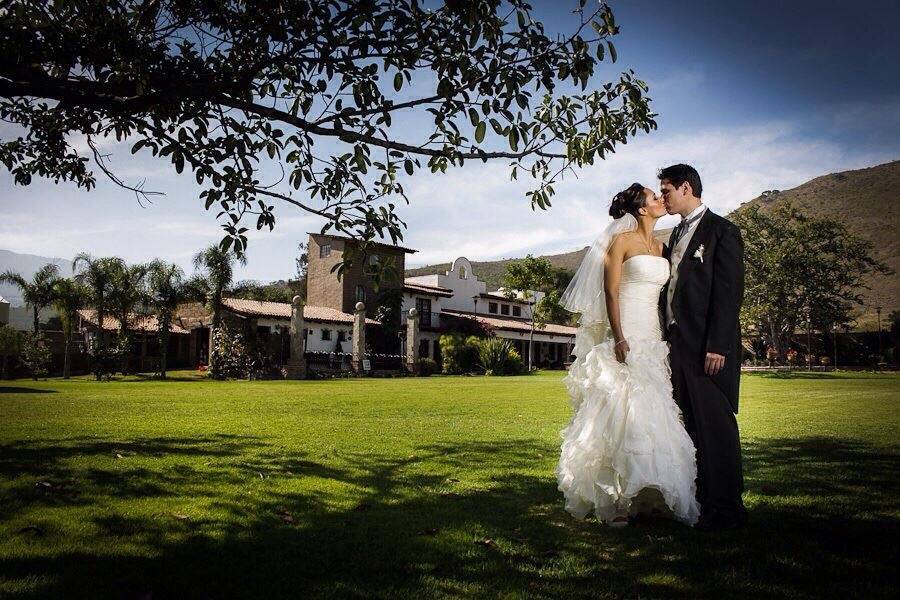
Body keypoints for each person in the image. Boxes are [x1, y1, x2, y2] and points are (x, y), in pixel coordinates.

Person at [557, 183, 700, 527]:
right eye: (654, 197)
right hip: (626, 333)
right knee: (620, 411)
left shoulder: (663, 247)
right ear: (640, 209)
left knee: (653, 414)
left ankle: (650, 495)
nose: (660, 200)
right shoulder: (621, 242)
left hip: (654, 337)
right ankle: (617, 501)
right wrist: (619, 337)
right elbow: (610, 291)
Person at [658, 164, 747, 531]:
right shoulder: (676, 232)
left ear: (686, 187)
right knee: (687, 424)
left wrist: (717, 346)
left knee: (716, 425)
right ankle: (698, 500)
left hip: (708, 348)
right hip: (676, 344)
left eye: (665, 191)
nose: (662, 197)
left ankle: (727, 508)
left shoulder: (723, 231)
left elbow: (728, 294)